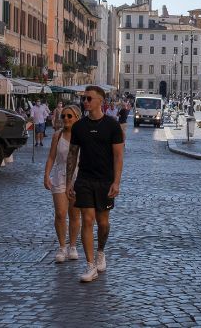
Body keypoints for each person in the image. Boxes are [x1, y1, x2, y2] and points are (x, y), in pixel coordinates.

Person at [65, 85, 124, 283]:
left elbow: (118, 156)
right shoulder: (79, 126)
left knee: (103, 222)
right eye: (84, 99)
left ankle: (100, 251)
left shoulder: (112, 125)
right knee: (87, 220)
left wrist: (117, 182)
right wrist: (68, 182)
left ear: (100, 101)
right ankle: (90, 265)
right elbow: (72, 154)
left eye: (89, 99)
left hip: (105, 180)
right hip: (84, 179)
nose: (85, 102)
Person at [44, 105, 81, 263]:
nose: (65, 119)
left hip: (78, 176)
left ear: (76, 118)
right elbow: (51, 157)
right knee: (60, 213)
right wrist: (46, 175)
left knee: (74, 214)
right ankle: (62, 246)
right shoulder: (57, 136)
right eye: (64, 116)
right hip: (59, 176)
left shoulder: (82, 136)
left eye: (69, 116)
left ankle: (73, 246)